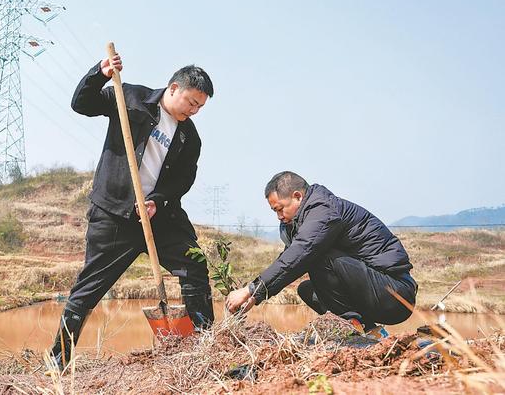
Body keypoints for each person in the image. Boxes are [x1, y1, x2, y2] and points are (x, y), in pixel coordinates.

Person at [49, 53, 215, 369]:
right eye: (191, 102)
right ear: (174, 87)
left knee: (195, 264)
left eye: (199, 107)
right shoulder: (131, 97)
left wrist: (159, 201)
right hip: (114, 214)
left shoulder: (189, 136)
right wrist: (99, 73)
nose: (193, 111)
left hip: (160, 217)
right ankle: (58, 359)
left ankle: (206, 344)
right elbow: (81, 104)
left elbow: (183, 180)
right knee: (88, 289)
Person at [226, 171, 418, 337]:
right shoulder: (304, 221)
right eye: (274, 211)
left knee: (315, 256)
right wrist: (256, 296)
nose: (279, 216)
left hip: (395, 293)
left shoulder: (324, 210)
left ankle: (350, 326)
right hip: (372, 288)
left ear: (297, 196)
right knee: (307, 290)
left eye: (280, 208)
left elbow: (301, 253)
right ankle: (369, 331)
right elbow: (288, 259)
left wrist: (250, 289)